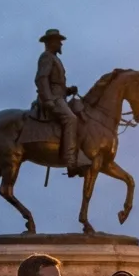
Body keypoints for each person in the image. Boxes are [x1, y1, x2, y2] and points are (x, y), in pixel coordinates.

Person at [35, 28, 86, 172]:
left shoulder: (55, 59)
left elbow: (56, 84)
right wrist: (48, 100)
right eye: (58, 42)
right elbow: (41, 79)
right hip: (53, 99)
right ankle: (70, 160)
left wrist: (68, 90)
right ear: (51, 43)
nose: (61, 45)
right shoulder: (46, 57)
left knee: (81, 112)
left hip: (59, 97)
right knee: (71, 119)